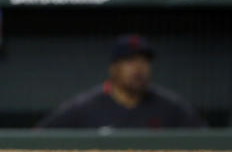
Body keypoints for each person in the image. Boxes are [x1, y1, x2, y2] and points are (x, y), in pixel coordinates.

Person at [37, 34, 205, 128]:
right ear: (114, 68)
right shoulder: (83, 108)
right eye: (130, 60)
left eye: (144, 60)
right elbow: (37, 137)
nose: (139, 68)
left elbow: (209, 142)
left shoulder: (171, 107)